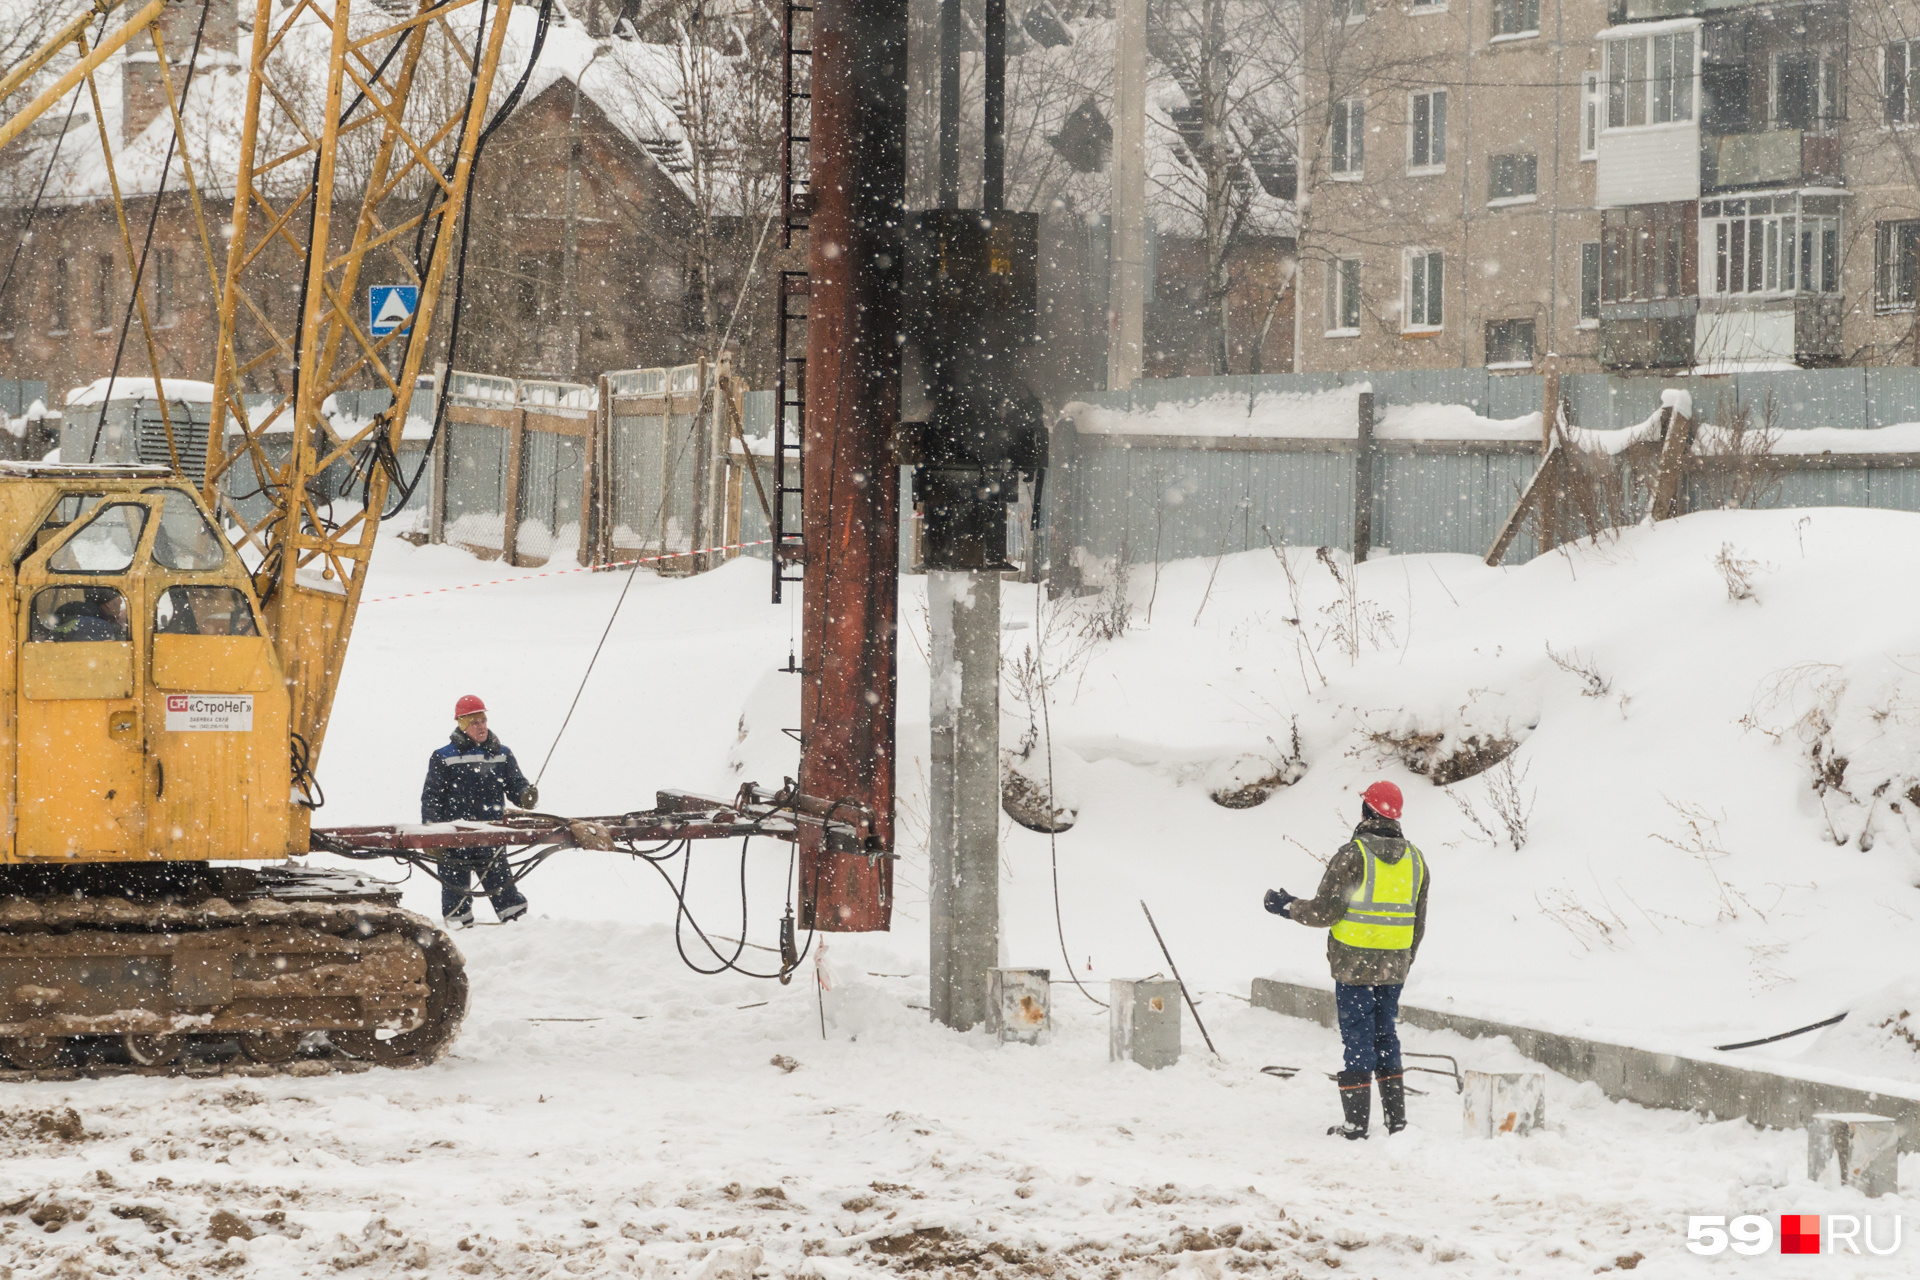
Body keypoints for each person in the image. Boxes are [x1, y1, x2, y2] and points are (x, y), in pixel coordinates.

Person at [1265, 781, 1430, 1140]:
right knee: (1386, 1036)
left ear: (1367, 812)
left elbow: (1325, 912)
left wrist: (1287, 906)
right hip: (1394, 969)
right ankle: (1396, 1123)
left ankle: (1356, 1126)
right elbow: (1419, 923)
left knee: (1358, 1039)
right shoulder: (1417, 860)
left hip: (1354, 967)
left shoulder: (1353, 855)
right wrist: (1402, 961)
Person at [421, 694, 540, 926]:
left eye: (483, 720)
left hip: (490, 834)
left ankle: (520, 929)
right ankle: (460, 933)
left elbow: (516, 786)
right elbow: (432, 798)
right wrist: (432, 836)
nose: (481, 726)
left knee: (504, 888)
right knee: (456, 896)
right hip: (455, 838)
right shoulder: (443, 757)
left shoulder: (502, 754)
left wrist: (526, 795)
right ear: (462, 725)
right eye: (475, 722)